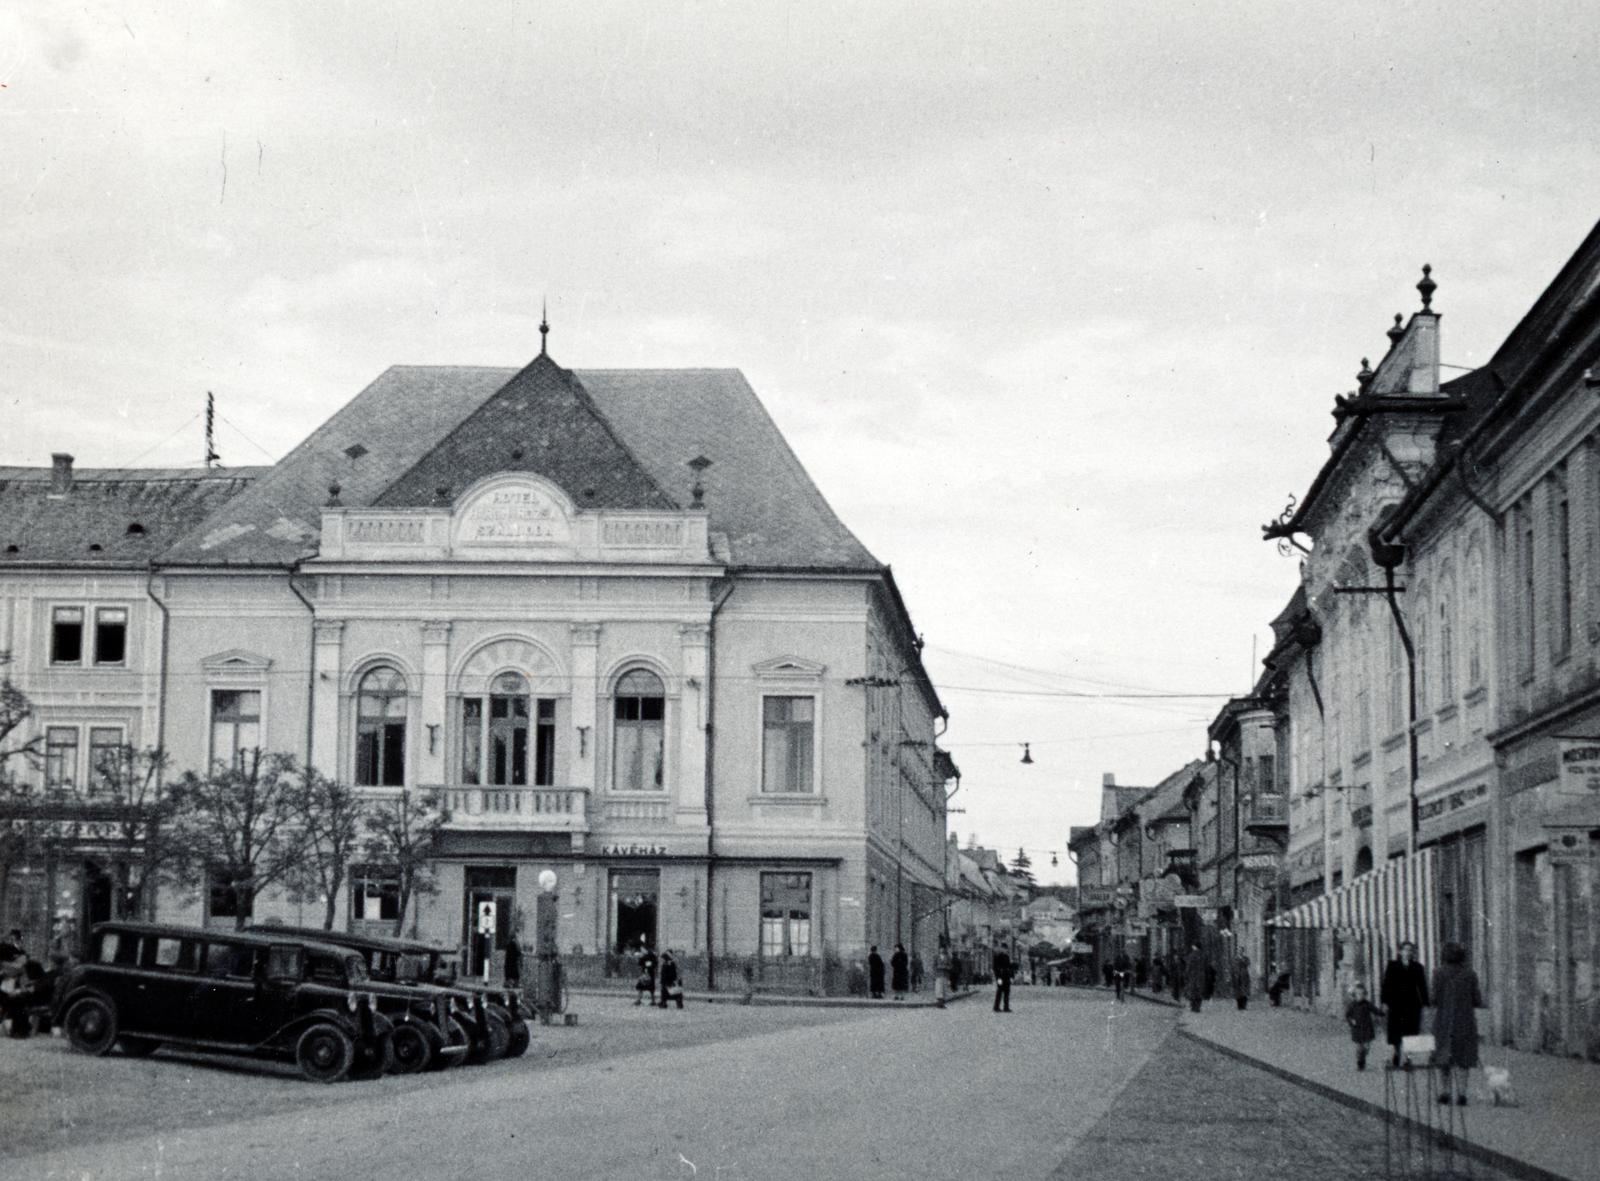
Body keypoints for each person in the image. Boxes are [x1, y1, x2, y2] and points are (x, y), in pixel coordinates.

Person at [1431, 942, 1483, 1105]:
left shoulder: (1438, 973)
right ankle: (1462, 1094)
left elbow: (1433, 999)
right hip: (1465, 1020)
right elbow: (1477, 1000)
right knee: (1464, 1058)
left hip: (1444, 1021)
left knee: (1443, 1056)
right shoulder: (1470, 974)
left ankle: (1445, 1092)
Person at [1380, 941, 1429, 1067]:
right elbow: (1386, 985)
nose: (1408, 952)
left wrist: (1425, 1004)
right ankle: (1396, 1053)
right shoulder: (1392, 966)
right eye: (1405, 950)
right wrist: (1384, 1002)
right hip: (1396, 1003)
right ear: (1400, 952)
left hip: (1412, 1004)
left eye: (1410, 950)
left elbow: (1422, 986)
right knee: (1396, 1031)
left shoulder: (1418, 967)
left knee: (1411, 1031)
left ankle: (1408, 1058)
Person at [1345, 981, 1378, 1071]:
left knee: (1366, 1047)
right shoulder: (1352, 1005)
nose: (1360, 996)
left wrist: (1383, 1013)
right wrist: (1351, 1021)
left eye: (1362, 994)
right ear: (1355, 995)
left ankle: (1362, 1057)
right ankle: (1360, 1063)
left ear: (1364, 994)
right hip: (1357, 1028)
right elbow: (1347, 1015)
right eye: (1358, 994)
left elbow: (1375, 1010)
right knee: (1359, 1047)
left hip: (1367, 1028)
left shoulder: (1367, 1004)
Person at [634, 939, 657, 1007]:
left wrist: (649, 965)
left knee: (651, 988)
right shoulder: (644, 956)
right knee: (640, 987)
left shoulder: (651, 955)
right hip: (644, 973)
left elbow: (655, 964)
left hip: (650, 973)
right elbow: (640, 964)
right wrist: (640, 958)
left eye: (642, 949)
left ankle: (653, 1000)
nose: (641, 950)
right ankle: (639, 1000)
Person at [1184, 943, 1206, 1013]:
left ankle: (1193, 1006)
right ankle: (1198, 1006)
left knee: (1193, 990)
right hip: (1201, 975)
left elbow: (1189, 966)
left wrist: (1186, 974)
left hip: (1193, 975)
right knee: (1199, 990)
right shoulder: (1203, 955)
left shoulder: (1192, 955)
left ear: (1194, 947)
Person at [992, 945, 1013, 1012]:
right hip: (1000, 977)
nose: (1006, 950)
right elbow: (995, 968)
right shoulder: (997, 957)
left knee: (1007, 991)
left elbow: (1009, 967)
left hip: (1006, 977)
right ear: (1002, 949)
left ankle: (1006, 1007)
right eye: (1005, 949)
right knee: (999, 991)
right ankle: (996, 1007)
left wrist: (1011, 976)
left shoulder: (1007, 957)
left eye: (1006, 949)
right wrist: (998, 977)